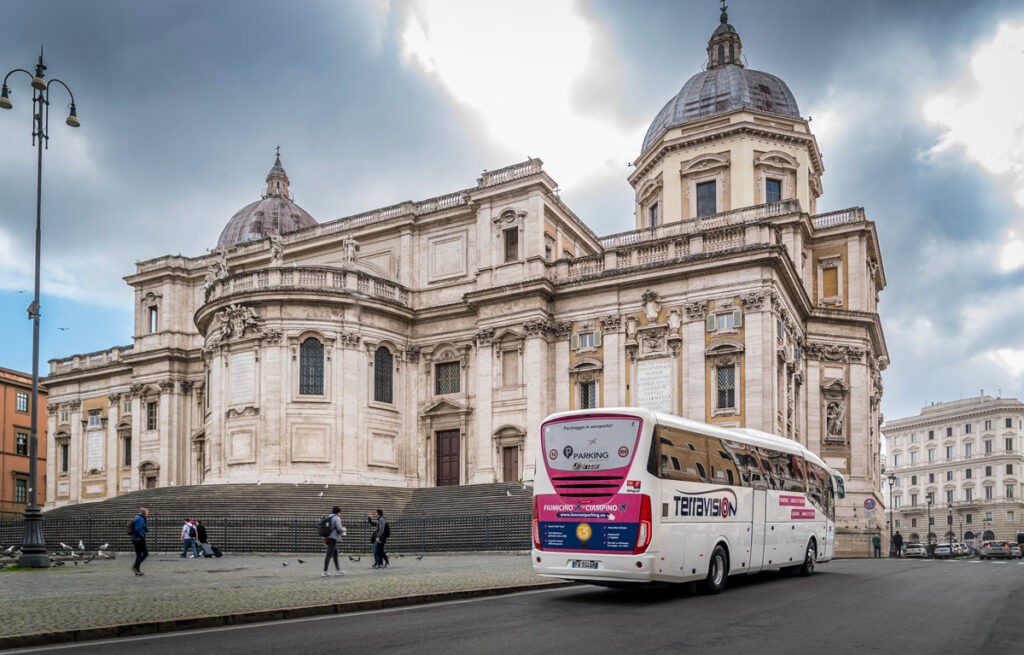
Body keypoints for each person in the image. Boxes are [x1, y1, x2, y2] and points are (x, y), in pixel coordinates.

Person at [322, 505, 347, 577]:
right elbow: (339, 528)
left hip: (328, 538)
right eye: (340, 513)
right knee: (329, 555)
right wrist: (344, 529)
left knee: (335, 554)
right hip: (332, 538)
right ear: (338, 512)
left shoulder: (329, 517)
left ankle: (338, 570)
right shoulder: (336, 518)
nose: (341, 514)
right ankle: (325, 571)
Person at [130, 507, 149, 576]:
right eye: (147, 512)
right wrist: (142, 536)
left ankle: (137, 571)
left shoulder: (138, 517)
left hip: (135, 538)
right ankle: (135, 566)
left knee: (139, 555)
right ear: (144, 513)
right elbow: (138, 529)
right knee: (145, 554)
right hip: (139, 539)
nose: (148, 514)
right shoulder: (140, 518)